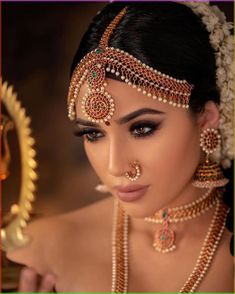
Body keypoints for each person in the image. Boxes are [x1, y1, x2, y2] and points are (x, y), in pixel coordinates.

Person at [6, 2, 234, 292]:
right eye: (92, 133)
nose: (115, 166)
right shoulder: (35, 254)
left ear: (206, 118)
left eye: (142, 128)